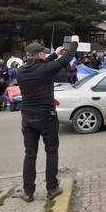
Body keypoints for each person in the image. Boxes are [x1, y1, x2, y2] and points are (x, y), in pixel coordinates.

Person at [17, 36, 79, 202]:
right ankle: (52, 188)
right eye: (43, 53)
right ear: (38, 54)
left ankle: (28, 192)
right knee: (51, 151)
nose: (45, 55)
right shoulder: (45, 70)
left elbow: (42, 64)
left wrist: (54, 54)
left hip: (28, 117)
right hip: (46, 117)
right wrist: (74, 43)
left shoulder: (20, 70)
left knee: (29, 154)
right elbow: (65, 59)